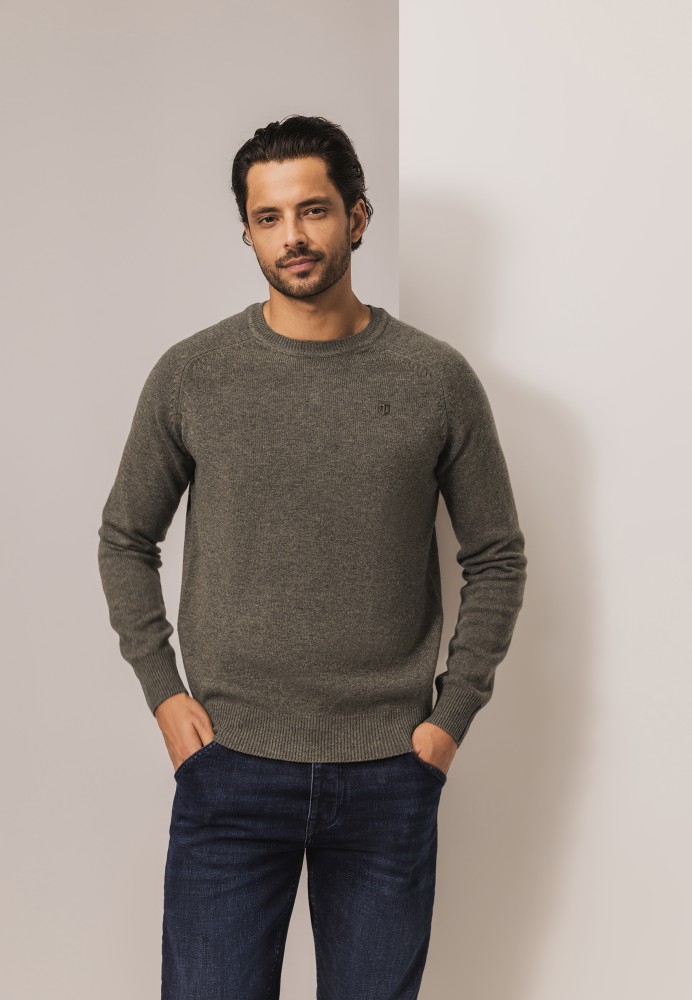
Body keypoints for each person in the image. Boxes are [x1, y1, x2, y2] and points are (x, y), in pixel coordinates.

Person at [97, 114, 527, 1000]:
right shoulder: (193, 374)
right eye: (269, 217)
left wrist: (449, 720)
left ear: (358, 218)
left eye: (314, 210)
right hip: (229, 763)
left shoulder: (436, 380)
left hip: (390, 772)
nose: (291, 235)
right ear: (248, 232)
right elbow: (125, 538)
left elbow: (496, 556)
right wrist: (164, 693)